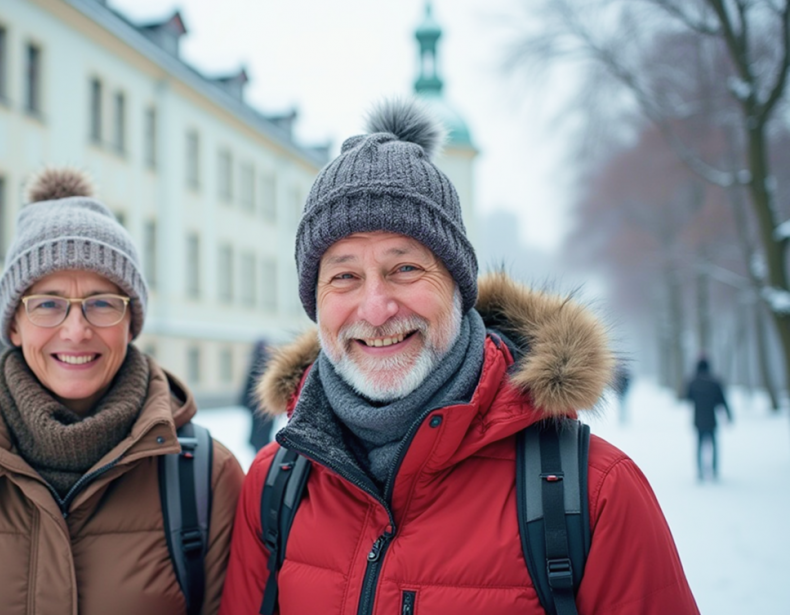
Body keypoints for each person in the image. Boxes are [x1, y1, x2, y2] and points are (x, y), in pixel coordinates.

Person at [219, 99, 699, 614]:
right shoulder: (275, 487)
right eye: (344, 276)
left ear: (458, 287)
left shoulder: (594, 494)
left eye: (405, 268)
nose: (376, 309)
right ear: (316, 304)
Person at [0, 168, 245, 614]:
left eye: (103, 302)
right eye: (47, 304)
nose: (77, 330)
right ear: (14, 324)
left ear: (131, 323)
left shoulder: (203, 474)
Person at [685, 357, 732, 482]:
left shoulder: (692, 382)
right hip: (712, 419)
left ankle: (700, 471)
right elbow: (722, 400)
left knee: (700, 445)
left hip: (698, 419)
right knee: (714, 445)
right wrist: (728, 415)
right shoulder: (715, 382)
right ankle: (714, 470)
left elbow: (687, 398)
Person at [243, 339, 275, 453]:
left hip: (260, 406)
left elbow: (247, 386)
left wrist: (244, 402)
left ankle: (260, 453)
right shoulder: (269, 363)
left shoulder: (256, 362)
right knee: (262, 435)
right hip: (266, 406)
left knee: (259, 435)